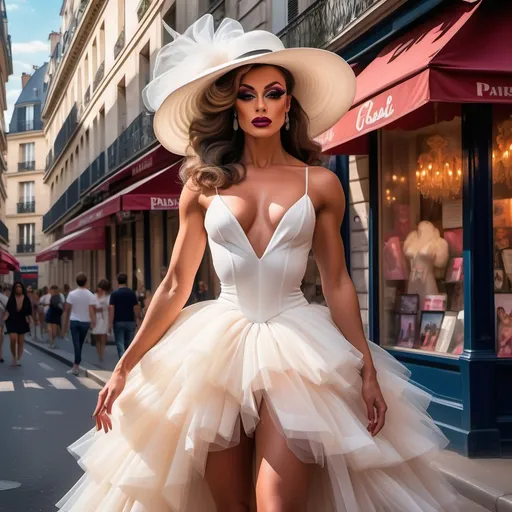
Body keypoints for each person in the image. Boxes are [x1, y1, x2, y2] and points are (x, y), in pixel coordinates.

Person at [57, 16, 459, 511]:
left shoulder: (322, 183)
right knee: (229, 504)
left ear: (290, 104)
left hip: (299, 350)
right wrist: (123, 367)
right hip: (213, 353)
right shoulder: (202, 185)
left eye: (273, 93)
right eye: (247, 95)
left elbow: (336, 282)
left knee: (276, 502)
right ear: (232, 107)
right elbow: (176, 284)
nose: (261, 105)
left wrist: (366, 368)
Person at [62, 273, 97, 376]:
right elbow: (91, 310)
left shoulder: (72, 294)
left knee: (76, 344)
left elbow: (67, 309)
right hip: (85, 322)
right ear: (86, 282)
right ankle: (76, 364)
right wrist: (93, 321)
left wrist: (65, 324)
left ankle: (76, 365)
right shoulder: (90, 295)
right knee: (80, 344)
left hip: (74, 321)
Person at [108, 273, 140, 359]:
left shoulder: (114, 294)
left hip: (118, 322)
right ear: (126, 281)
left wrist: (110, 323)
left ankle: (122, 364)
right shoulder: (131, 293)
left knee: (120, 344)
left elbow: (111, 309)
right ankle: (128, 363)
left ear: (117, 281)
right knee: (129, 344)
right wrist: (137, 319)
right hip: (130, 321)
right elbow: (136, 307)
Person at [3, 281, 32, 367]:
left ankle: (18, 359)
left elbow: (29, 311)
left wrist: (31, 319)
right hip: (12, 320)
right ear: (14, 289)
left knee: (20, 341)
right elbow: (7, 310)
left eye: (19, 286)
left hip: (22, 320)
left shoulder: (26, 298)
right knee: (13, 338)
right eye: (16, 287)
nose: (18, 288)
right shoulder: (11, 298)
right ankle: (14, 356)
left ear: (22, 288)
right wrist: (4, 318)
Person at [92, 279, 111, 363]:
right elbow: (91, 307)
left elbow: (109, 307)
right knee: (97, 337)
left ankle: (101, 354)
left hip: (105, 317)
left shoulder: (107, 296)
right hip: (96, 317)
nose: (100, 290)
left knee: (103, 336)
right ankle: (99, 352)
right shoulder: (94, 296)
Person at [46, 285, 65, 349]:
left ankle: (52, 343)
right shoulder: (60, 296)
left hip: (52, 312)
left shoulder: (51, 296)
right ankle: (52, 343)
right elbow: (62, 306)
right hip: (55, 313)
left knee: (51, 329)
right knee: (53, 330)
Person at [0, 284, 9, 363]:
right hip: (1, 318)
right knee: (1, 334)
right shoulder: (4, 297)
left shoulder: (3, 297)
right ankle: (0, 354)